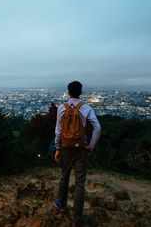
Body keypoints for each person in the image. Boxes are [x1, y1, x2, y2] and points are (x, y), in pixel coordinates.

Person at [54, 81, 101, 227]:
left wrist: (57, 147)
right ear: (81, 92)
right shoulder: (86, 108)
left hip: (66, 148)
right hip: (81, 148)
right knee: (80, 182)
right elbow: (97, 128)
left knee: (64, 176)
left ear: (68, 92)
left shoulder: (62, 107)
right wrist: (91, 146)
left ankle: (61, 205)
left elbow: (58, 131)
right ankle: (77, 218)